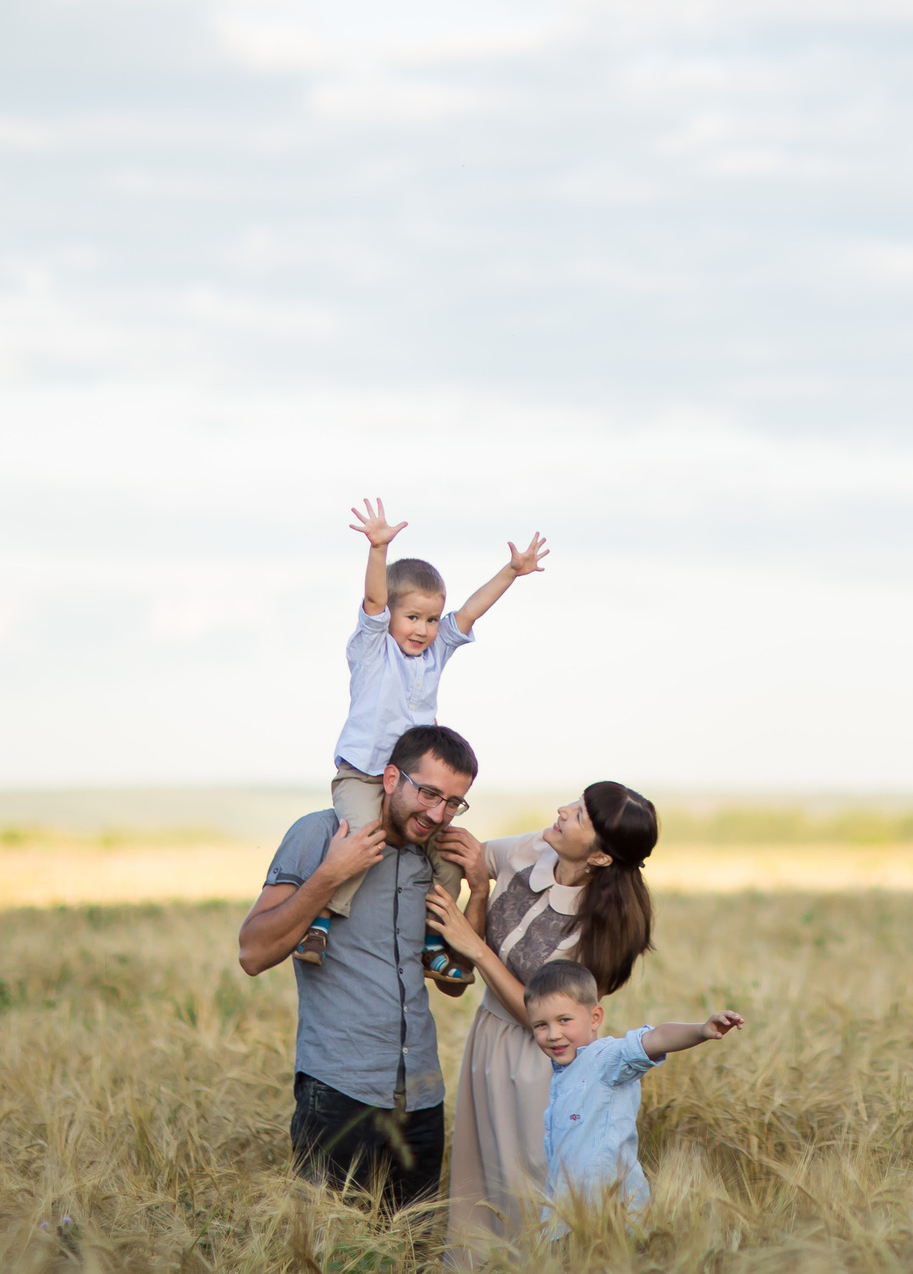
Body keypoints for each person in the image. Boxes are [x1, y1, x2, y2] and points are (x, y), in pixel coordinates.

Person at [238, 723, 485, 1211]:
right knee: (331, 1251)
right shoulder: (321, 833)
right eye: (429, 793)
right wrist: (331, 873)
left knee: (410, 1251)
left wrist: (479, 891)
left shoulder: (431, 860)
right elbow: (253, 952)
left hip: (420, 1094)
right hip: (338, 1090)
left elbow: (454, 983)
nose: (438, 814)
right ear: (391, 777)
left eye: (454, 802)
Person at [297, 497, 548, 975]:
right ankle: (321, 921)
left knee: (449, 859)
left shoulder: (434, 655)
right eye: (412, 617)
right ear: (391, 615)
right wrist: (378, 550)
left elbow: (470, 613)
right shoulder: (374, 650)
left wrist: (511, 572)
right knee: (360, 842)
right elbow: (373, 601)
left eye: (432, 620)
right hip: (364, 776)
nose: (424, 629)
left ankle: (433, 942)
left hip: (415, 786)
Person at [428, 781, 661, 1251]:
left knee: (532, 1183)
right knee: (482, 1177)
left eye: (579, 816)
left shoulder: (596, 930)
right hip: (488, 1037)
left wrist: (472, 946)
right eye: (575, 804)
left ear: (599, 858)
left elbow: (542, 1015)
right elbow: (469, 854)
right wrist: (472, 881)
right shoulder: (534, 847)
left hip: (547, 1059)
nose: (562, 811)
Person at [520, 957, 744, 1231]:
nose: (553, 1034)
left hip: (613, 1215)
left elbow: (655, 1039)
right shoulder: (562, 1075)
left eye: (564, 1020)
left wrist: (701, 1030)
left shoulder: (604, 1059)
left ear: (595, 1018)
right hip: (569, 1215)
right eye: (540, 1025)